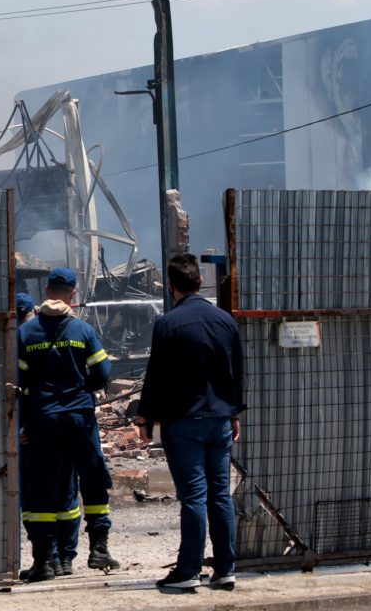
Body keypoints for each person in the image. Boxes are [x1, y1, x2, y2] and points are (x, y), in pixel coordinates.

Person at [135, 253, 245, 591]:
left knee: (195, 497)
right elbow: (236, 370)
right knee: (220, 496)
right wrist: (234, 412)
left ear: (171, 287)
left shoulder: (168, 324)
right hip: (220, 420)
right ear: (199, 282)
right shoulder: (225, 320)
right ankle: (225, 568)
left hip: (184, 423)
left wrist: (145, 415)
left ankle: (188, 571)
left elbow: (157, 376)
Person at [16, 268, 119, 582]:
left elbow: (20, 381)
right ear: (72, 293)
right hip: (79, 418)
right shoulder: (82, 331)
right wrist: (79, 388)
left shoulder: (26, 334)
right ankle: (99, 549)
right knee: (92, 479)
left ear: (47, 290)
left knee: (43, 489)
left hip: (43, 420)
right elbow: (103, 374)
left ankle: (44, 562)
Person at [15, 291, 83, 580]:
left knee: (37, 498)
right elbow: (100, 372)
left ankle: (49, 558)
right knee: (65, 492)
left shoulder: (21, 340)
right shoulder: (74, 331)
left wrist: (19, 427)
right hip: (67, 424)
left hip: (37, 430)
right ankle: (62, 558)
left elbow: (17, 392)